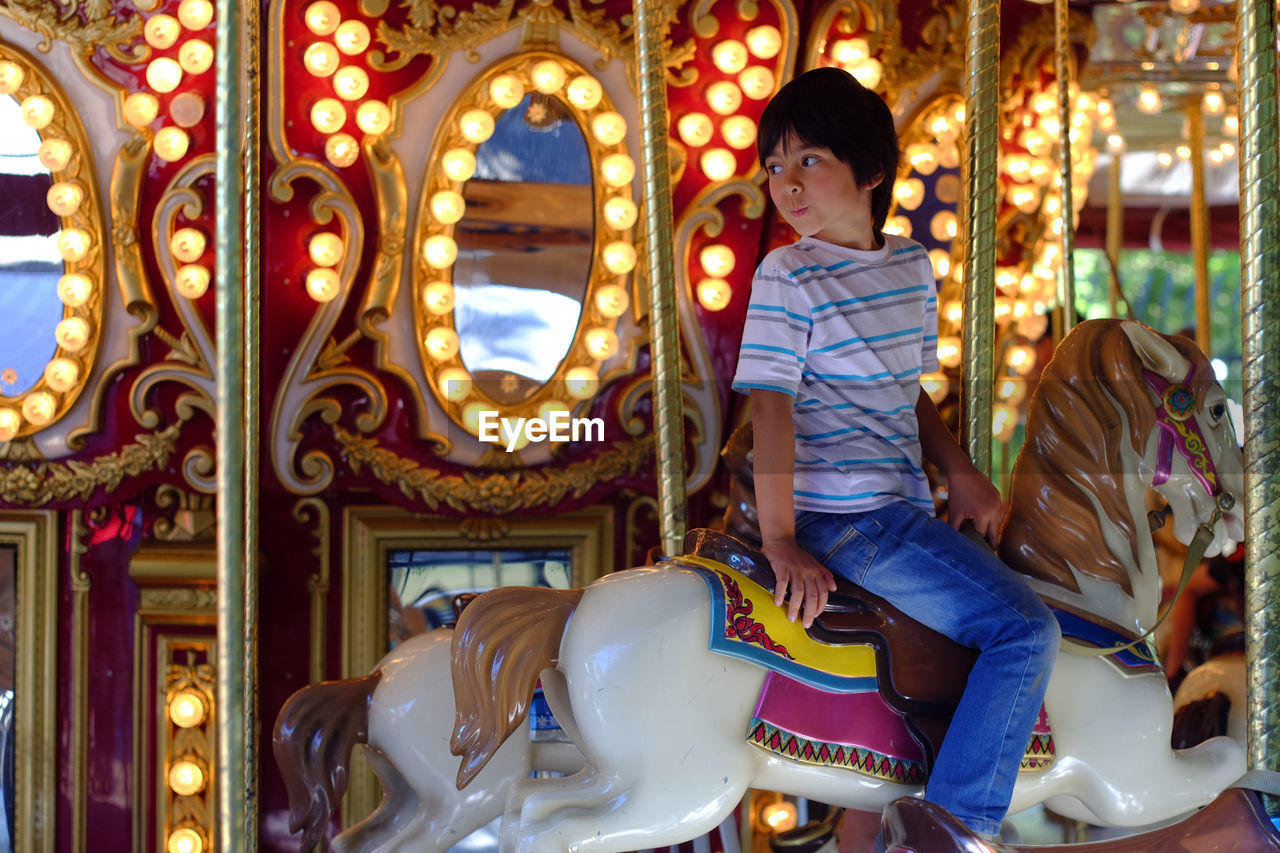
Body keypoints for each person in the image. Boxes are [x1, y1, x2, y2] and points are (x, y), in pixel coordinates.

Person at [730, 67, 1061, 844]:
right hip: (850, 519)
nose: (786, 184)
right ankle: (956, 826)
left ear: (870, 170)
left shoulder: (910, 267)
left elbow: (904, 388)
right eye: (774, 167)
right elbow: (771, 408)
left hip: (902, 511)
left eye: (807, 160)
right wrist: (781, 536)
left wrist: (960, 469)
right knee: (1025, 630)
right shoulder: (789, 274)